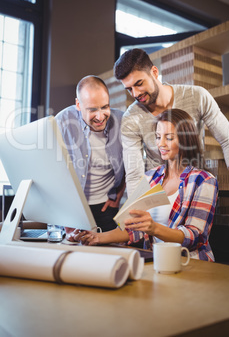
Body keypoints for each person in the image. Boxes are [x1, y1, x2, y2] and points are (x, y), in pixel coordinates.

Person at [113, 48, 229, 205]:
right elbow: (134, 174)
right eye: (129, 89)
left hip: (194, 189)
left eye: (139, 84)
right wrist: (137, 208)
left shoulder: (197, 96)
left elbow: (227, 140)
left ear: (154, 72)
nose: (136, 94)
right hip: (158, 194)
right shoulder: (131, 117)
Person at [70, 109, 218, 261]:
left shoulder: (204, 180)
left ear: (186, 140)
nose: (160, 144)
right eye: (158, 137)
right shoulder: (150, 177)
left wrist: (153, 228)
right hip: (157, 262)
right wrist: (96, 237)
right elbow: (131, 229)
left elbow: (195, 236)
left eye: (169, 138)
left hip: (191, 263)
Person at [55, 75, 125, 233]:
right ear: (78, 105)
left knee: (107, 255)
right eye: (92, 110)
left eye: (105, 107)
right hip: (70, 207)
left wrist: (119, 196)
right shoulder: (61, 123)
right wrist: (65, 215)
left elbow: (132, 164)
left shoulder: (121, 122)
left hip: (106, 207)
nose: (100, 117)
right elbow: (52, 171)